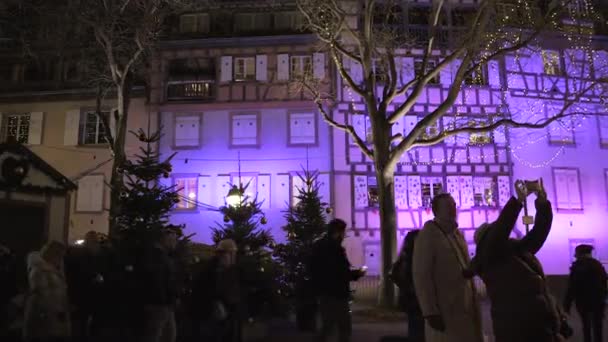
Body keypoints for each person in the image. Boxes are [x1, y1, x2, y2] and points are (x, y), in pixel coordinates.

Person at [466, 180, 566, 342]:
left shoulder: (516, 251)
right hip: (517, 332)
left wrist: (542, 202)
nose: (505, 235)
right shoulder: (490, 258)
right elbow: (501, 229)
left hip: (542, 329)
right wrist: (518, 200)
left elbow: (539, 232)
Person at [412, 194, 483, 342]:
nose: (452, 210)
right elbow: (422, 275)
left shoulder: (457, 234)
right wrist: (430, 311)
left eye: (453, 205)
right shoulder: (428, 236)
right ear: (436, 211)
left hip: (465, 306)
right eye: (447, 206)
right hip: (445, 309)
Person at [310, 218, 366, 342]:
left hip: (323, 291)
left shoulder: (318, 245)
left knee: (328, 324)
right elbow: (340, 272)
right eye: (343, 233)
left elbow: (313, 268)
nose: (343, 236)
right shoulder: (335, 249)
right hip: (337, 292)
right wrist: (357, 274)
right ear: (337, 232)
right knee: (343, 326)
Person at [191, 239, 242, 342]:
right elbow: (212, 290)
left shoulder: (228, 269)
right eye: (232, 254)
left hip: (225, 313)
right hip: (211, 313)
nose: (233, 257)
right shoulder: (212, 269)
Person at [65, 231, 111, 341]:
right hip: (87, 294)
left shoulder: (77, 254)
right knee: (86, 322)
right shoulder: (97, 254)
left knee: (83, 322)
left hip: (85, 294)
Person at [23, 240, 71, 342]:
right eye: (60, 256)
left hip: (52, 316)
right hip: (44, 317)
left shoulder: (52, 269)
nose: (61, 259)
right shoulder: (40, 271)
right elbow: (41, 295)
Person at [140, 230, 179, 342]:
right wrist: (167, 299)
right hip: (160, 304)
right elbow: (160, 281)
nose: (175, 243)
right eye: (173, 240)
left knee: (167, 334)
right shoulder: (159, 257)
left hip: (163, 303)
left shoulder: (161, 256)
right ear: (166, 241)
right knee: (159, 334)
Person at [564, 244, 607, 342]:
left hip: (583, 302)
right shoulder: (598, 265)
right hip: (598, 301)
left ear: (580, 253)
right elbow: (604, 283)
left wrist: (567, 304)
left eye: (576, 253)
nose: (575, 255)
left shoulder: (577, 266)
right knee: (598, 326)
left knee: (586, 326)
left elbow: (572, 287)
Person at [391, 230, 424, 341]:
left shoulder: (404, 255)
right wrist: (410, 287)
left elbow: (394, 274)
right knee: (418, 329)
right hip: (416, 299)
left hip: (411, 300)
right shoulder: (415, 257)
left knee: (415, 327)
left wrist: (405, 288)